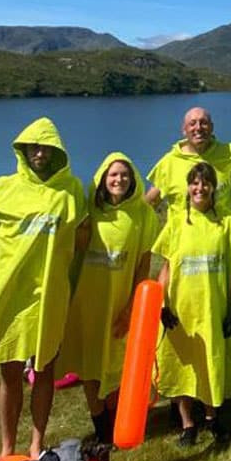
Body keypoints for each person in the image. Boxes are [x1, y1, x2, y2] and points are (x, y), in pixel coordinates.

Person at [0, 117, 87, 458]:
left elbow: (84, 236)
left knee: (44, 371)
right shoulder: (2, 186)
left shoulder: (70, 189)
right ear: (24, 151)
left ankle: (36, 444)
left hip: (49, 296)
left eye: (46, 147)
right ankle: (7, 447)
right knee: (10, 373)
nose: (40, 153)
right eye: (34, 147)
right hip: (8, 294)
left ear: (58, 151)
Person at [55, 152, 159, 445]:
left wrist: (131, 309)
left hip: (119, 302)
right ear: (103, 178)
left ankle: (118, 418)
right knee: (89, 365)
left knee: (117, 365)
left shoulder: (143, 215)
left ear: (133, 179)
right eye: (113, 175)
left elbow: (142, 264)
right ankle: (100, 423)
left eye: (125, 175)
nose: (119, 180)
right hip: (87, 303)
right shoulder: (89, 210)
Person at [154, 162, 231, 447]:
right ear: (188, 187)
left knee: (210, 364)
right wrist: (161, 302)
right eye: (195, 182)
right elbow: (167, 266)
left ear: (213, 188)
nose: (200, 188)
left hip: (212, 307)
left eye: (206, 183)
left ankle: (212, 419)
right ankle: (187, 424)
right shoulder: (178, 221)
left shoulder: (228, 221)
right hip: (181, 309)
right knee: (182, 364)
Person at [144, 107, 231, 219]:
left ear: (212, 127)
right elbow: (150, 202)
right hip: (184, 234)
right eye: (192, 124)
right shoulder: (169, 162)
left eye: (204, 123)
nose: (198, 128)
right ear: (184, 130)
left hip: (222, 232)